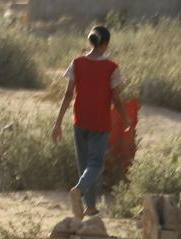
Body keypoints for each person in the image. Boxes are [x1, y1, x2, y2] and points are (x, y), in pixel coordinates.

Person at [52, 25, 132, 218]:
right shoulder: (112, 68)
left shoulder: (77, 63)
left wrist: (58, 123)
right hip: (100, 122)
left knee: (84, 164)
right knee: (96, 164)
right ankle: (79, 191)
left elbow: (68, 94)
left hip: (79, 119)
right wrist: (126, 119)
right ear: (106, 44)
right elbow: (116, 98)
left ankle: (90, 206)